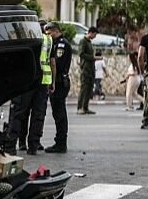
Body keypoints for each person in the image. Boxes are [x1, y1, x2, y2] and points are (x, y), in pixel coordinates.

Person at [6, 20, 55, 155]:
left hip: (26, 81)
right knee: (38, 114)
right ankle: (33, 146)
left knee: (18, 113)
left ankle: (11, 146)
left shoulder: (25, 39)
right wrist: (53, 81)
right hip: (43, 81)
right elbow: (52, 63)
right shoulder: (49, 40)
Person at [44, 21, 72, 153]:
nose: (48, 36)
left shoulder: (61, 44)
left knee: (60, 113)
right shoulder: (56, 43)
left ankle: (61, 143)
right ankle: (60, 141)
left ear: (56, 31)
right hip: (58, 81)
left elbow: (58, 64)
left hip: (59, 82)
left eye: (49, 33)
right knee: (58, 113)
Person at [77, 27, 99, 115]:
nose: (95, 36)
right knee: (84, 89)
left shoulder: (89, 42)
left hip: (90, 69)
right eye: (95, 34)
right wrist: (93, 58)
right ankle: (80, 107)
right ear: (91, 33)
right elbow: (81, 54)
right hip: (85, 69)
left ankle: (85, 107)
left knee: (89, 89)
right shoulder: (83, 41)